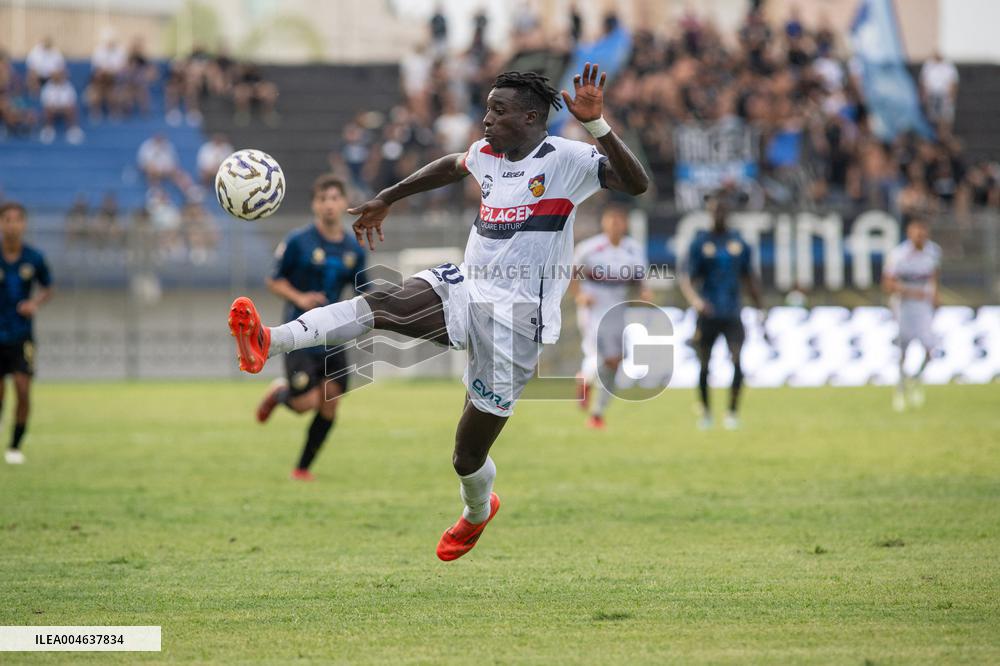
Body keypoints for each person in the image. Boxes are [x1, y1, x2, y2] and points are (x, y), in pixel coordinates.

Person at [226, 65, 648, 560]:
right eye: (487, 108)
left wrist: (597, 125)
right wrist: (389, 196)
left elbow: (634, 184)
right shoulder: (488, 154)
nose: (486, 119)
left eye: (498, 110)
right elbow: (452, 164)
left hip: (517, 324)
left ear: (532, 117)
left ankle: (476, 511)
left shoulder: (566, 158)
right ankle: (269, 340)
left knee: (466, 456)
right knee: (383, 303)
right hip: (468, 288)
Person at [255, 175, 366, 481]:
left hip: (333, 335)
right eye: (322, 199)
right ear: (314, 204)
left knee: (330, 402)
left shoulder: (352, 248)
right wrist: (300, 298)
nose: (329, 205)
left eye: (334, 198)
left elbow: (363, 289)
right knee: (306, 404)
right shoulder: (297, 241)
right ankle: (281, 394)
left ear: (344, 203)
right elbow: (273, 280)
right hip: (299, 334)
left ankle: (302, 469)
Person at [680, 191, 764, 430]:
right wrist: (696, 301)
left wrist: (760, 309)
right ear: (709, 212)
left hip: (732, 312)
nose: (718, 214)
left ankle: (732, 413)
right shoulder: (700, 243)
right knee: (704, 365)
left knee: (737, 361)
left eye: (723, 210)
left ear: (728, 213)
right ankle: (706, 412)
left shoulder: (740, 243)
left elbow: (750, 278)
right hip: (707, 313)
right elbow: (687, 279)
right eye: (715, 210)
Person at [570, 204, 651, 429]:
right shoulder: (589, 248)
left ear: (624, 224)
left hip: (618, 309)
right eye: (611, 220)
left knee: (616, 361)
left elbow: (639, 278)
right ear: (604, 223)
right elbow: (571, 273)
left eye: (619, 220)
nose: (615, 224)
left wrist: (644, 292)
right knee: (605, 357)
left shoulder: (633, 249)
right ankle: (594, 404)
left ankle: (595, 405)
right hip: (594, 309)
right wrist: (580, 295)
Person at [0, 203, 53, 465]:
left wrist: (35, 304)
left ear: (24, 224)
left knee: (22, 389)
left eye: (16, 220)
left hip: (22, 335)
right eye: (6, 220)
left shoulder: (34, 258)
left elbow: (48, 287)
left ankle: (15, 446)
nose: (11, 225)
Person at [882, 216, 940, 411]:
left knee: (930, 349)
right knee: (903, 349)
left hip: (924, 306)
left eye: (923, 231)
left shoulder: (933, 251)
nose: (921, 235)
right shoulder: (898, 255)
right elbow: (888, 284)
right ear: (909, 232)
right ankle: (900, 388)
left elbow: (933, 275)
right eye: (917, 231)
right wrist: (912, 292)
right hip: (904, 305)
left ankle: (915, 379)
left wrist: (935, 295)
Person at [39, 69, 84, 145]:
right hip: (52, 109)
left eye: (59, 75)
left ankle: (72, 130)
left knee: (71, 109)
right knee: (47, 109)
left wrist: (62, 107)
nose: (58, 77)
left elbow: (72, 101)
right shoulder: (47, 87)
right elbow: (45, 102)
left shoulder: (69, 86)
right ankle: (48, 130)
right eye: (56, 76)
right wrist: (54, 106)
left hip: (65, 108)